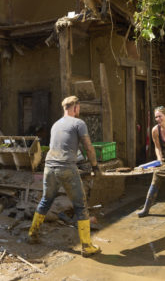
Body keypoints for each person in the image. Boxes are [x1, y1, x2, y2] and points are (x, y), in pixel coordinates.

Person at [28, 96, 102, 257]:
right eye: (79, 107)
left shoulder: (56, 124)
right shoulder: (78, 123)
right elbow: (88, 147)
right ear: (75, 107)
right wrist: (95, 166)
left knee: (46, 200)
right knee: (80, 205)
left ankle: (32, 234)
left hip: (49, 167)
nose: (79, 110)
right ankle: (87, 246)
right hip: (66, 168)